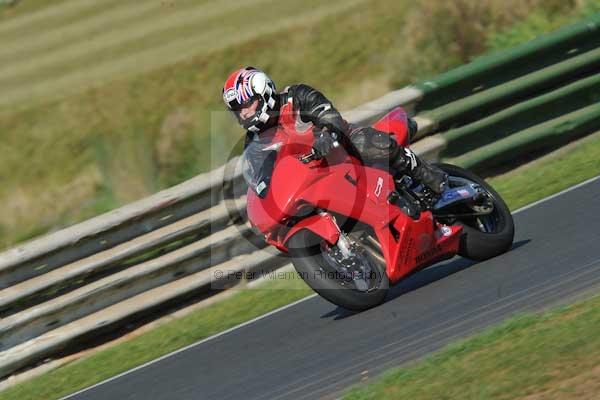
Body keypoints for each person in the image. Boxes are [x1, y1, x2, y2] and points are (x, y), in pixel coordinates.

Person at [222, 66, 447, 194]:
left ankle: (430, 177)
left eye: (245, 105)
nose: (243, 114)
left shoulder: (297, 96)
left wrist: (328, 135)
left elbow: (328, 114)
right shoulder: (254, 142)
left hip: (344, 148)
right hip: (314, 180)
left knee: (370, 143)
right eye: (237, 111)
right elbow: (261, 178)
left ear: (264, 94)